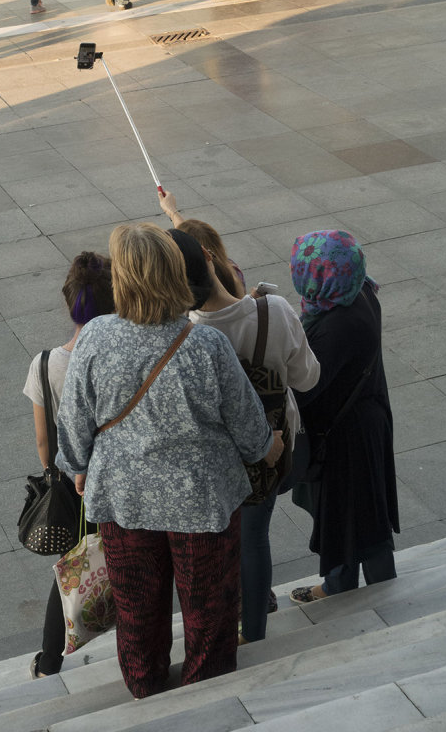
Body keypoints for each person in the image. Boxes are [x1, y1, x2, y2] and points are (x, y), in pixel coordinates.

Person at [56, 222, 284, 698]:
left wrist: (79, 466)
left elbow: (72, 424)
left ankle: (146, 691)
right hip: (203, 503)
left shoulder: (96, 338)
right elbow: (248, 430)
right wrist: (272, 446)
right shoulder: (205, 344)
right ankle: (203, 695)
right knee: (210, 615)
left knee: (137, 612)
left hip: (124, 501)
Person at [170, 229, 320, 643]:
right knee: (254, 539)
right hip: (271, 455)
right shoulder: (273, 310)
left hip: (213, 464)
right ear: (208, 255)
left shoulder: (181, 334)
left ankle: (217, 632)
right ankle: (254, 632)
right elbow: (307, 378)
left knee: (213, 550)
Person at [288, 230, 400, 603]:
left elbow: (305, 387)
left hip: (347, 438)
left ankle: (372, 587)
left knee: (359, 518)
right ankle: (342, 582)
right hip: (365, 422)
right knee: (359, 514)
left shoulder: (336, 326)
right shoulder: (360, 291)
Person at [23, 251, 115, 678]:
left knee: (73, 567)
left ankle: (49, 661)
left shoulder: (46, 365)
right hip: (118, 478)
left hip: (71, 481)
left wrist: (54, 472)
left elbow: (45, 442)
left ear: (69, 304)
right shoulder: (119, 354)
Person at [160, 190, 245, 298]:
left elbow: (188, 241)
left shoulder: (189, 286)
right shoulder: (233, 271)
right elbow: (190, 239)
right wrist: (171, 210)